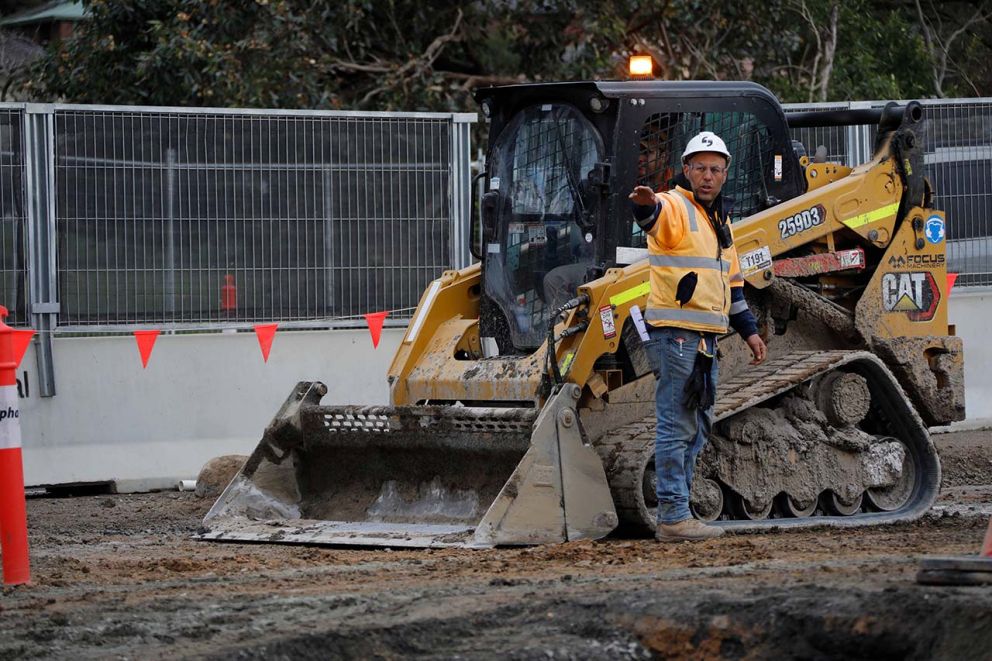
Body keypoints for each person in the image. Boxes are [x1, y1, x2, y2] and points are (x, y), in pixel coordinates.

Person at [628, 130, 767, 542]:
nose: (707, 176)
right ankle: (672, 515)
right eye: (700, 168)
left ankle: (679, 509)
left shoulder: (720, 222)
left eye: (715, 170)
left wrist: (751, 333)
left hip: (706, 339)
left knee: (699, 424)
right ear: (686, 170)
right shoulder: (675, 206)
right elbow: (654, 217)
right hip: (678, 337)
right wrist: (646, 206)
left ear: (725, 175)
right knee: (676, 423)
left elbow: (733, 284)